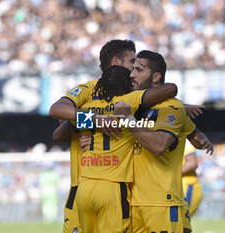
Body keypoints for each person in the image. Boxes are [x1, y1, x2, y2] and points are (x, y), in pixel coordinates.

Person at [50, 40, 178, 233]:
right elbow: (58, 120)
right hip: (96, 185)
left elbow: (60, 132)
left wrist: (88, 124)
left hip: (93, 187)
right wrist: (97, 121)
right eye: (132, 63)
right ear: (117, 62)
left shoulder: (117, 97)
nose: (134, 70)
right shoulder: (93, 91)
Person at [80, 50, 213, 233]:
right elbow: (65, 125)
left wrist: (129, 120)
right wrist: (87, 135)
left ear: (156, 76)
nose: (132, 74)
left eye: (139, 70)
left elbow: (159, 146)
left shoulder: (170, 107)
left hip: (162, 203)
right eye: (132, 69)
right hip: (131, 203)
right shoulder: (132, 106)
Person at [182, 141, 203, 216]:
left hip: (188, 186)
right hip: (180, 186)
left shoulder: (184, 141)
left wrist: (171, 174)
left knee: (182, 221)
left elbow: (192, 163)